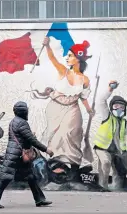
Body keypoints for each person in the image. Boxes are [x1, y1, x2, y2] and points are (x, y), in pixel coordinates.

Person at [33, 37, 95, 175]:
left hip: (73, 108)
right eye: (68, 55)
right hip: (56, 107)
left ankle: (72, 164)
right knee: (54, 135)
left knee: (71, 133)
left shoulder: (85, 79)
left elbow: (83, 97)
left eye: (71, 56)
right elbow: (52, 59)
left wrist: (89, 109)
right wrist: (47, 46)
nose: (67, 58)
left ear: (79, 59)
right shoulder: (63, 71)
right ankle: (56, 163)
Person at [0, 101, 54, 209]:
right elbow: (32, 140)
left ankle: (39, 199)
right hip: (17, 154)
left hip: (15, 153)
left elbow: (22, 137)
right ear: (24, 111)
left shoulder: (14, 121)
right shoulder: (22, 123)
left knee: (30, 177)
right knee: (6, 177)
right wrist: (46, 150)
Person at [93, 80, 127, 189]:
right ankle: (103, 186)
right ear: (111, 107)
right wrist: (110, 89)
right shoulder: (107, 116)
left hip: (117, 150)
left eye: (122, 107)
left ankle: (117, 187)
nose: (119, 109)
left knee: (119, 170)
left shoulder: (124, 123)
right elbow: (101, 101)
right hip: (102, 148)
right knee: (106, 163)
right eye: (116, 106)